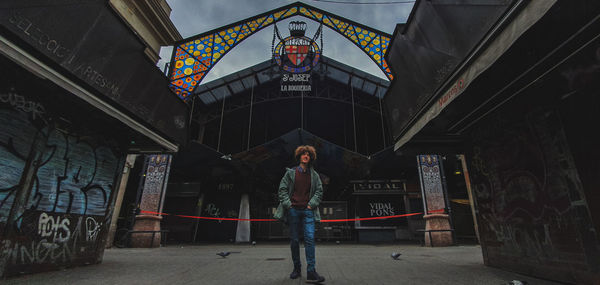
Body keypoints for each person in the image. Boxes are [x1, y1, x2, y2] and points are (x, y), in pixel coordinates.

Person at [274, 145, 326, 283]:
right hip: (293, 211)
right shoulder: (290, 173)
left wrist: (311, 205)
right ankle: (297, 269)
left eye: (308, 154)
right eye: (303, 154)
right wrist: (289, 205)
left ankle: (311, 272)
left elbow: (319, 191)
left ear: (311, 158)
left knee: (310, 239)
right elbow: (282, 190)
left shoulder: (314, 175)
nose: (306, 156)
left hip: (308, 211)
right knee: (295, 240)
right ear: (299, 156)